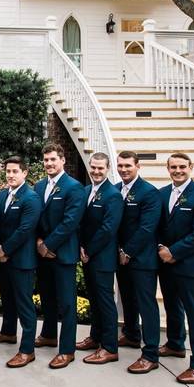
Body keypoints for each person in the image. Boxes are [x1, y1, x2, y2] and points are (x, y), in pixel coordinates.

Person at [157, 152, 194, 384]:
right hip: (165, 262)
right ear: (168, 169)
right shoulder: (162, 194)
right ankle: (175, 343)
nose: (178, 170)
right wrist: (162, 249)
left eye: (182, 166)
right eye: (173, 167)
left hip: (190, 265)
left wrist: (174, 252)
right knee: (172, 306)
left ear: (191, 167)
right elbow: (157, 225)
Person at [32, 143, 86, 369]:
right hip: (42, 252)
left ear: (62, 160)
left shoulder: (74, 187)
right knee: (47, 298)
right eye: (46, 160)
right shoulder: (39, 185)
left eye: (53, 159)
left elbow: (70, 221)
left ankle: (67, 349)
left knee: (66, 303)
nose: (49, 164)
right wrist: (38, 242)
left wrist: (49, 244)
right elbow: (34, 215)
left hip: (63, 253)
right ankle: (49, 334)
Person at [113, 151, 163, 375]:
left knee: (146, 304)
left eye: (128, 166)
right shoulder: (115, 189)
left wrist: (128, 251)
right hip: (120, 257)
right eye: (120, 166)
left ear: (138, 167)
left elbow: (147, 227)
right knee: (127, 299)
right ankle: (132, 334)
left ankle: (150, 353)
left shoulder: (149, 192)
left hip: (142, 259)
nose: (124, 169)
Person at [0, 156, 42, 368]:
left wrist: (5, 249)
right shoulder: (3, 194)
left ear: (24, 173)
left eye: (15, 171)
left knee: (25, 305)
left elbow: (25, 229)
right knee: (7, 299)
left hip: (22, 260)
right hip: (4, 258)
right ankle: (8, 332)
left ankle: (27, 350)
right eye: (8, 171)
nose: (10, 175)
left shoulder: (30, 198)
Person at [77, 152, 123, 365]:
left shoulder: (113, 195)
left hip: (102, 257)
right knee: (94, 300)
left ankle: (110, 347)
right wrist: (80, 247)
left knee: (105, 302)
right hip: (87, 255)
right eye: (93, 167)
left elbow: (108, 229)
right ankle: (95, 337)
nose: (96, 171)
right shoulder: (87, 191)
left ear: (108, 169)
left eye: (100, 168)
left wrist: (89, 250)